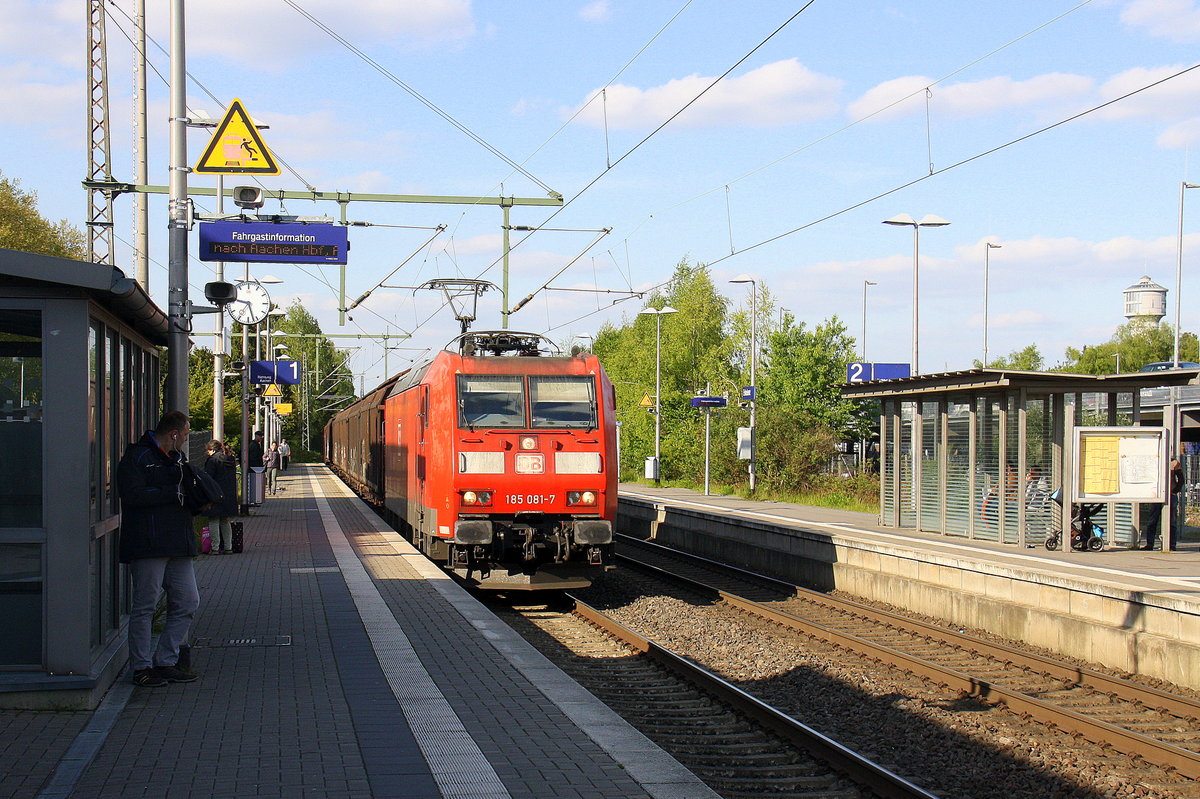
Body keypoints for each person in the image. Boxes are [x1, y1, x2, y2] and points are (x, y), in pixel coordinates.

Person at [117, 411, 201, 687]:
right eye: (186, 434)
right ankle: (141, 667)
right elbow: (131, 495)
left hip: (177, 542)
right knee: (145, 606)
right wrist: (171, 493)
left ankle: (166, 660)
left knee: (188, 600)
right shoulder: (138, 457)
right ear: (174, 433)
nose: (187, 439)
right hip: (148, 543)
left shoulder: (177, 459)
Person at [203, 439, 239, 554]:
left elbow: (208, 479)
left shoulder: (212, 461)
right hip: (228, 494)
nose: (207, 453)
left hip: (215, 494)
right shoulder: (230, 460)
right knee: (225, 520)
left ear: (212, 449)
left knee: (214, 519)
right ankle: (228, 547)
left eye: (208, 451)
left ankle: (215, 547)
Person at [1143, 452, 1185, 550]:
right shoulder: (1155, 461)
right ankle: (1150, 544)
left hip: (1169, 495)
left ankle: (1171, 544)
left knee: (1171, 521)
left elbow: (1181, 479)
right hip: (1157, 494)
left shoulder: (1174, 463)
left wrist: (1174, 491)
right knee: (1153, 520)